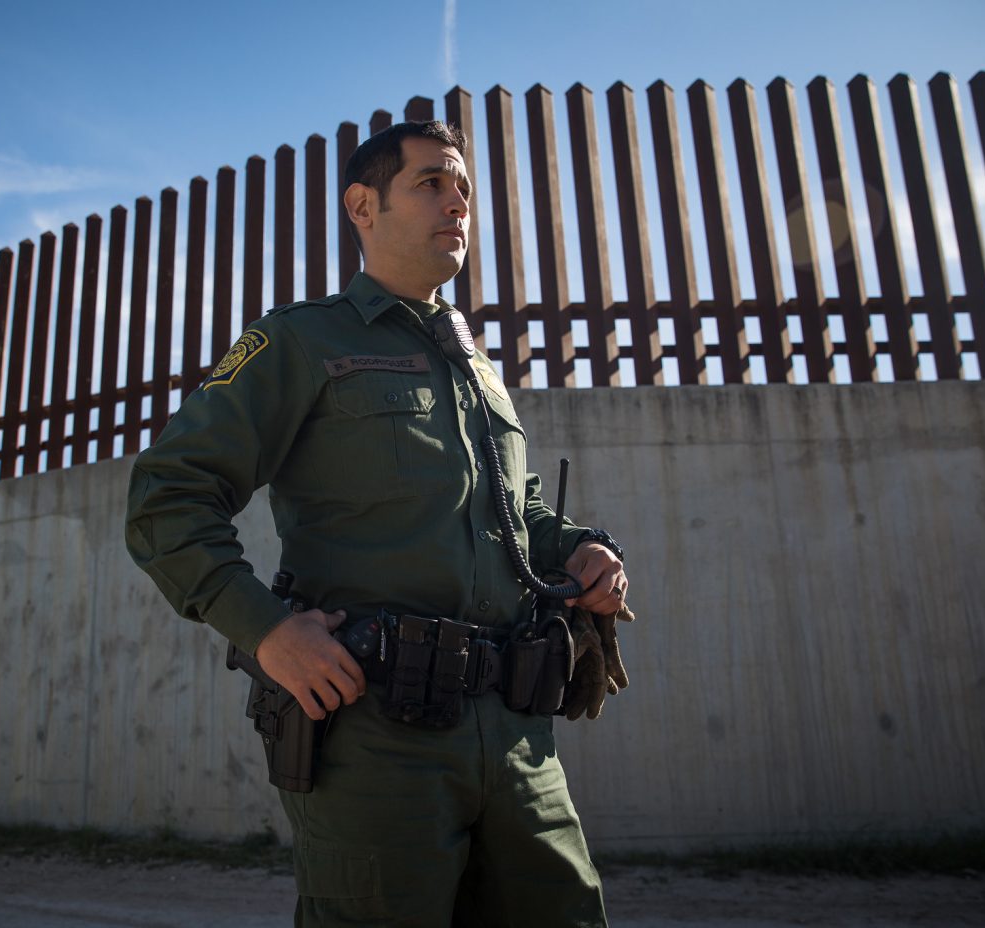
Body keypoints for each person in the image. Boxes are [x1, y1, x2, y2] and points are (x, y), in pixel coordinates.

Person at [126, 120, 628, 926]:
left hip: (518, 736)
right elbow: (167, 494)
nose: (456, 203)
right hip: (377, 737)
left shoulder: (476, 364)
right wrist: (266, 631)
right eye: (432, 182)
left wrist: (583, 550)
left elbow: (517, 510)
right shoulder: (301, 339)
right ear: (363, 205)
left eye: (463, 187)